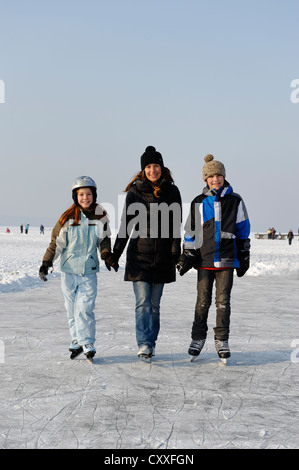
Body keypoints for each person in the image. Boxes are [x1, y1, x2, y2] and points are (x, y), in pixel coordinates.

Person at [107, 146, 182, 360]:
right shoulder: (135, 192)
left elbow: (176, 224)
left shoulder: (172, 191)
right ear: (143, 170)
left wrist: (176, 249)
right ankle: (144, 344)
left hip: (163, 257)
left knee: (154, 305)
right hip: (139, 256)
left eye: (155, 166)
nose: (152, 170)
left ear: (162, 167)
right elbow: (125, 225)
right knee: (142, 303)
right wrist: (116, 253)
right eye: (148, 167)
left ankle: (151, 342)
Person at [177, 154, 250, 362]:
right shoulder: (199, 202)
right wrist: (188, 254)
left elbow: (243, 229)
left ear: (224, 177)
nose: (215, 179)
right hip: (204, 260)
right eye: (211, 176)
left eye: (219, 175)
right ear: (206, 180)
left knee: (223, 302)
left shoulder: (235, 201)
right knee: (202, 302)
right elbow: (191, 232)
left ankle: (222, 339)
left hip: (227, 260)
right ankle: (198, 338)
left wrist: (244, 255)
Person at [39, 176, 117, 361]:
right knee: (71, 308)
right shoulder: (67, 218)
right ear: (76, 196)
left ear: (94, 195)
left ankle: (87, 342)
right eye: (81, 194)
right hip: (68, 271)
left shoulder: (100, 217)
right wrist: (46, 262)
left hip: (89, 270)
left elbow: (104, 240)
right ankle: (76, 340)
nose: (85, 198)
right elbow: (56, 244)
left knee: (85, 308)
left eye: (89, 194)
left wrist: (107, 256)